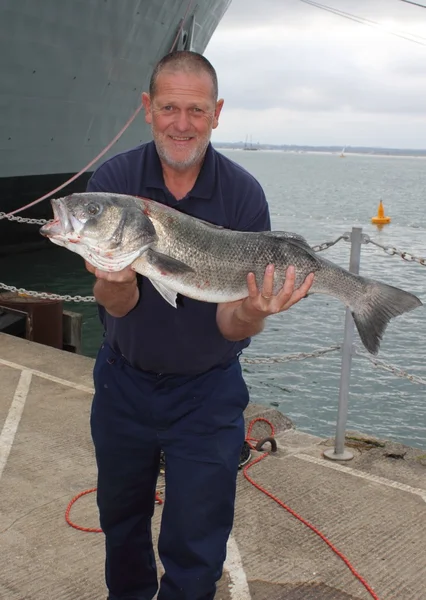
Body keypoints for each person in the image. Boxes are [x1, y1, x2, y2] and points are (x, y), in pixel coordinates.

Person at [85, 50, 314, 600]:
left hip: (208, 394)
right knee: (121, 526)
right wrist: (116, 282)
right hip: (124, 384)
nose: (181, 124)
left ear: (217, 113)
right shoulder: (115, 184)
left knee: (198, 542)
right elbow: (114, 307)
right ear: (147, 108)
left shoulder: (242, 194)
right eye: (168, 107)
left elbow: (232, 325)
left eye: (196, 109)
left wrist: (257, 309)